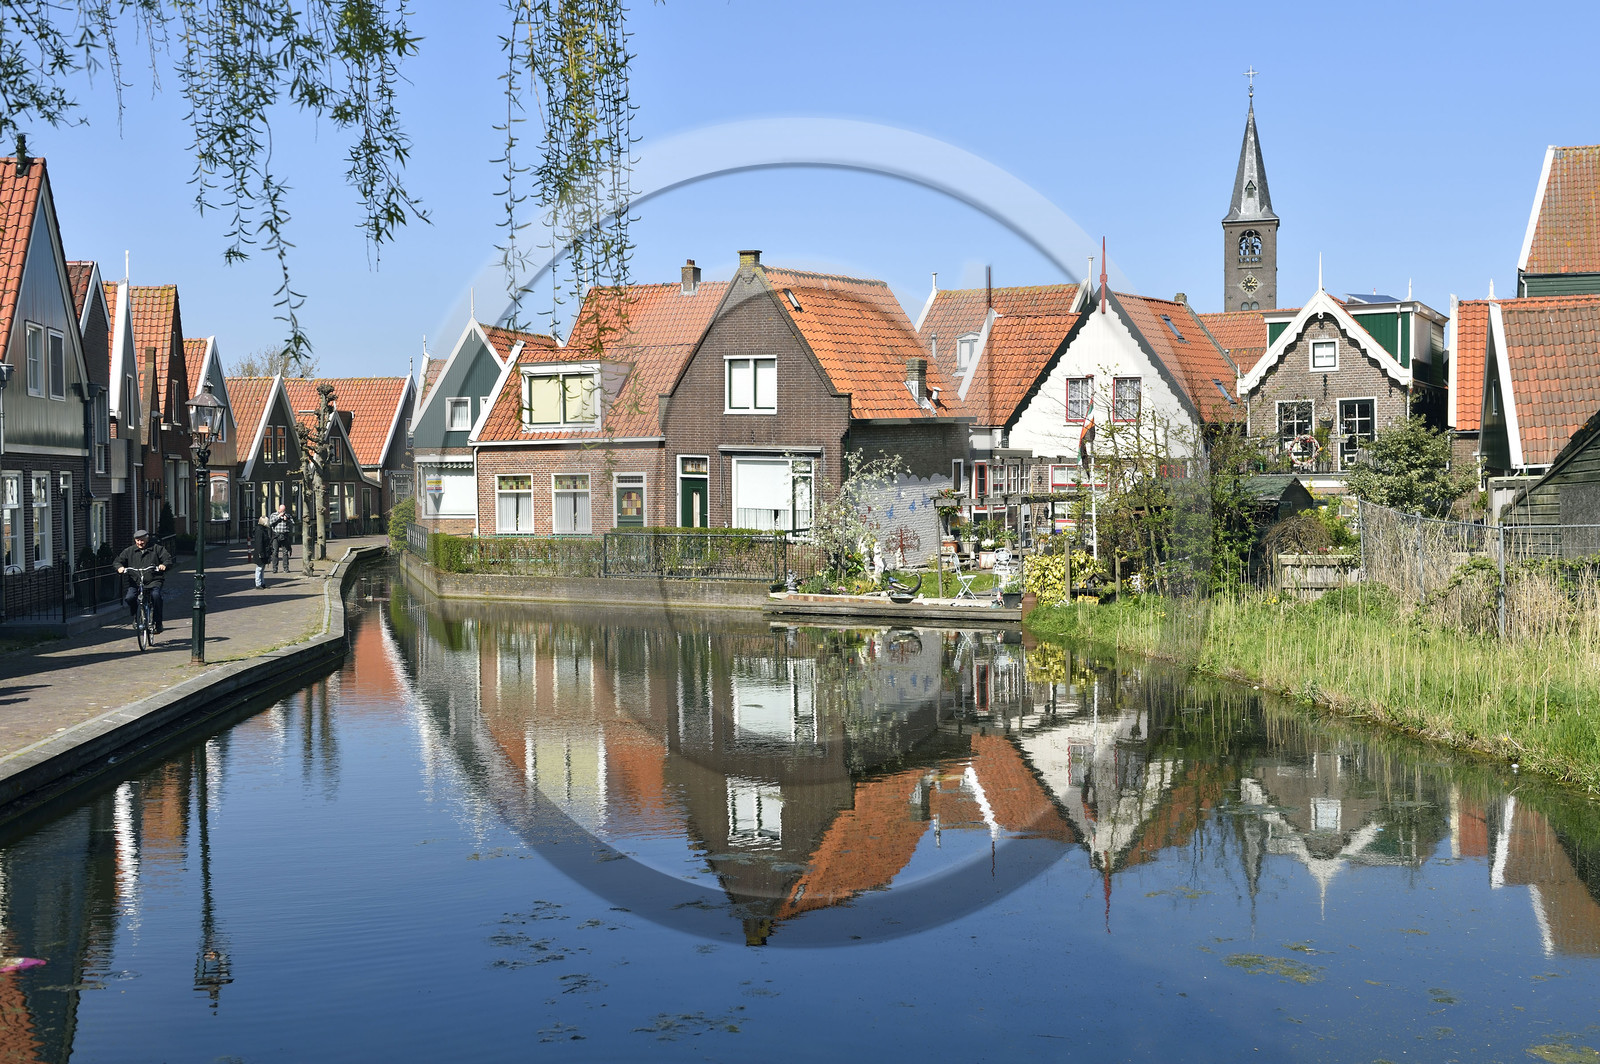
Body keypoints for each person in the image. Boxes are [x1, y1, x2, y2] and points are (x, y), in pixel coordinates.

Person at [115, 529, 173, 633]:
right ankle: (136, 616)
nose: (140, 543)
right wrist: (120, 567)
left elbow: (167, 559)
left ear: (147, 539)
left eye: (142, 540)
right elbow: (118, 561)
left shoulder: (156, 549)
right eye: (137, 540)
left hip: (154, 580)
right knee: (130, 598)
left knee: (156, 596)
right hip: (136, 581)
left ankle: (158, 622)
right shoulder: (129, 551)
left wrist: (164, 565)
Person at [268, 503, 293, 573]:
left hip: (284, 535)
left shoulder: (288, 515)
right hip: (276, 536)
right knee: (275, 552)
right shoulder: (273, 515)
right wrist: (278, 516)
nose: (283, 512)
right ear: (279, 509)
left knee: (285, 552)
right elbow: (270, 523)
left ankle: (286, 568)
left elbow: (292, 524)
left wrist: (287, 520)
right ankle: (275, 568)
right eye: (282, 510)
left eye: (284, 511)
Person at [250, 514, 273, 588]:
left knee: (262, 568)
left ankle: (262, 582)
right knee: (259, 568)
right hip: (260, 552)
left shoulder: (262, 530)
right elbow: (259, 543)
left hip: (263, 551)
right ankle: (258, 583)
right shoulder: (260, 531)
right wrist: (261, 553)